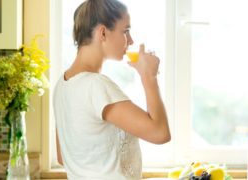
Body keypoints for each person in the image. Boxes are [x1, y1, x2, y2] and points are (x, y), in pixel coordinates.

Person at [53, 0, 171, 179]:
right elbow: (160, 133)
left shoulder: (62, 85)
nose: (130, 40)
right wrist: (149, 77)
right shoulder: (96, 85)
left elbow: (64, 158)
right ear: (102, 32)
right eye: (126, 31)